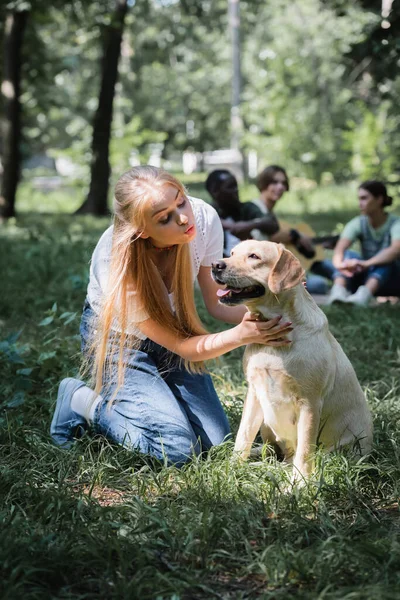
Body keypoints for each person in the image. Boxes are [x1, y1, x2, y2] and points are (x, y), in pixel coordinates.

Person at [50, 166, 293, 466]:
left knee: (217, 444)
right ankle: (81, 401)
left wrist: (274, 314)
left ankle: (162, 405)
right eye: (164, 218)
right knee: (177, 450)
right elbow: (182, 345)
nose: (183, 217)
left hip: (172, 329)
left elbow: (216, 305)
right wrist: (242, 336)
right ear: (141, 230)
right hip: (120, 342)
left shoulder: (203, 220)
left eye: (181, 200)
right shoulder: (116, 262)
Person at [252, 165, 332, 294]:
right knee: (319, 285)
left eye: (283, 183)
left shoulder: (269, 212)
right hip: (263, 275)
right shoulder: (255, 208)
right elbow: (271, 237)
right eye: (274, 182)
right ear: (263, 184)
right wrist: (296, 235)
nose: (280, 187)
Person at [327, 180, 400, 306]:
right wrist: (341, 265)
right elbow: (340, 249)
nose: (360, 203)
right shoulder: (358, 223)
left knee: (386, 261)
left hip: (391, 280)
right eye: (359, 198)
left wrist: (366, 263)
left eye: (364, 198)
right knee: (349, 254)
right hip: (365, 275)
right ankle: (338, 292)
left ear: (379, 199)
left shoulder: (396, 223)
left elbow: (394, 251)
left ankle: (363, 297)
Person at [205, 169, 279, 256]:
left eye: (236, 186)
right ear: (215, 191)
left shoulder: (246, 208)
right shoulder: (206, 212)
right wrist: (227, 225)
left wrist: (248, 225)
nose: (236, 190)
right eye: (230, 187)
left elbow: (272, 223)